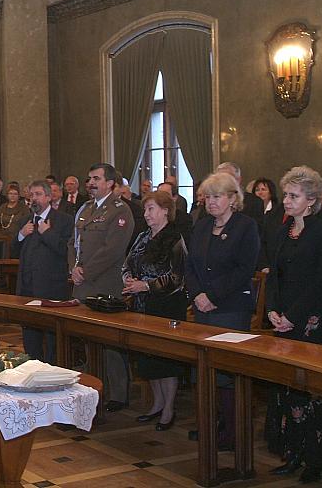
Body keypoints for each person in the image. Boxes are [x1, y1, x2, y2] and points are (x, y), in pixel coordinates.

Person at [264, 166, 322, 483]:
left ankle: (317, 457)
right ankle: (293, 452)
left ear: (311, 200)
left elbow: (321, 282)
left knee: (311, 390)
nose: (287, 200)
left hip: (310, 320)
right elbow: (273, 275)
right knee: (287, 388)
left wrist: (292, 316)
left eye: (293, 196)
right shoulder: (283, 231)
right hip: (282, 319)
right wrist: (272, 310)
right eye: (286, 194)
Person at [185, 173, 260, 447]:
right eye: (207, 197)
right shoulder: (202, 225)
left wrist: (212, 295)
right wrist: (197, 294)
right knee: (204, 370)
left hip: (231, 307)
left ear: (232, 198)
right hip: (202, 308)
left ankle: (233, 431)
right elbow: (190, 265)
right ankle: (210, 424)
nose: (211, 202)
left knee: (227, 373)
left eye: (217, 196)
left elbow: (244, 268)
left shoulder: (245, 226)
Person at [68, 163, 133, 412]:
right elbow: (73, 244)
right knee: (88, 341)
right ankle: (94, 389)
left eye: (96, 179)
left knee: (109, 344)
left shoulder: (120, 210)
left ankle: (117, 393)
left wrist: (86, 271)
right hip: (82, 285)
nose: (91, 183)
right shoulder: (85, 209)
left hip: (105, 285)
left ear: (110, 183)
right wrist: (73, 268)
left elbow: (113, 249)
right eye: (89, 179)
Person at [122, 190, 187, 431]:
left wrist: (146, 285)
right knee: (148, 358)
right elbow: (127, 263)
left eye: (151, 209)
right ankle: (157, 403)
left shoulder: (174, 238)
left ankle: (168, 408)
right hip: (143, 306)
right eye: (145, 209)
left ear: (165, 211)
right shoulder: (143, 237)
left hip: (166, 306)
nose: (146, 214)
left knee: (165, 359)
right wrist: (129, 279)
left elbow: (178, 277)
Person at [15, 180, 72, 363]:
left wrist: (47, 232)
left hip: (51, 289)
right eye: (31, 195)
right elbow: (13, 251)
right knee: (30, 341)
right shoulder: (24, 221)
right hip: (27, 288)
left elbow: (66, 251)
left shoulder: (64, 220)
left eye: (38, 194)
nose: (34, 198)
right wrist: (21, 235)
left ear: (49, 197)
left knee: (52, 342)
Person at [216, 162, 264, 230]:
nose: (222, 182)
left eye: (227, 178)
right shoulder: (211, 201)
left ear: (238, 180)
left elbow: (256, 230)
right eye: (219, 179)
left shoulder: (254, 202)